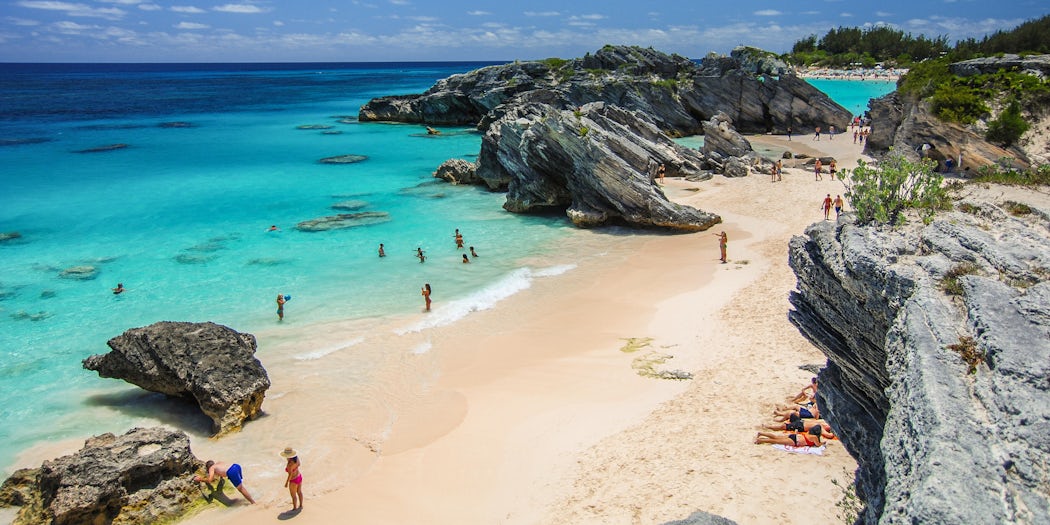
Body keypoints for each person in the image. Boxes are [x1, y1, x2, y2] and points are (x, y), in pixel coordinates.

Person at [754, 425, 825, 447]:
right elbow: (818, 445)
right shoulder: (814, 437)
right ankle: (760, 440)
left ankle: (761, 434)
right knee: (776, 441)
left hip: (794, 436)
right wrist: (823, 443)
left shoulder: (809, 433)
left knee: (776, 437)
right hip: (795, 441)